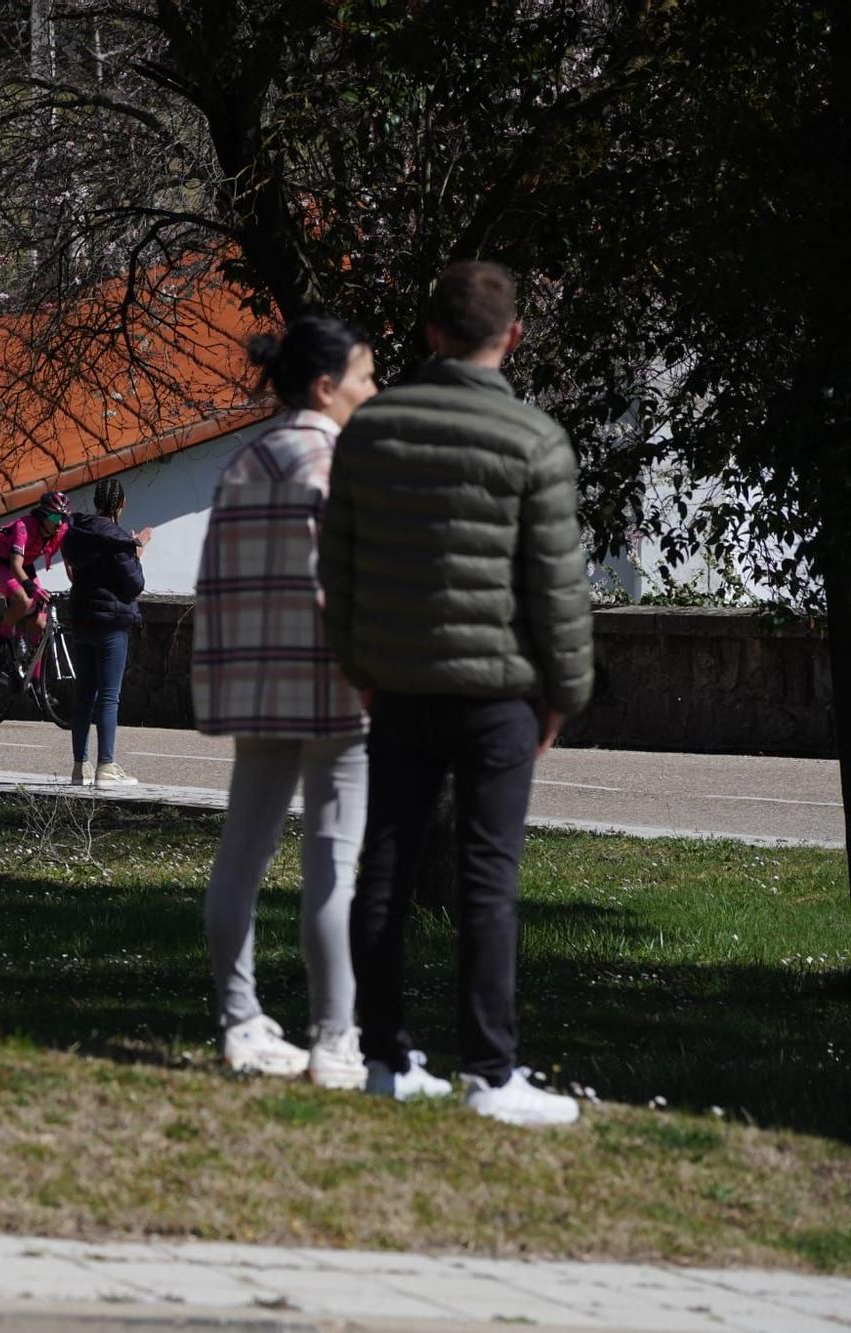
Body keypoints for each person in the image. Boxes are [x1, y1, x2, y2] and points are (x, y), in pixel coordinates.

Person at [320, 260, 593, 1126]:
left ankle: (385, 1056)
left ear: (430, 332)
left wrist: (359, 666)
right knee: (487, 875)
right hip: (500, 692)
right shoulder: (534, 439)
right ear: (512, 337)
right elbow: (556, 583)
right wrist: (565, 691)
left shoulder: (372, 427)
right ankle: (491, 1070)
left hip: (398, 684)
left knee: (386, 869)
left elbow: (340, 563)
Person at [193, 316, 379, 1088]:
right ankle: (335, 1037)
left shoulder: (242, 461)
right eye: (366, 376)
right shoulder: (344, 463)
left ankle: (240, 1020)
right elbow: (360, 581)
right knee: (333, 861)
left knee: (242, 851)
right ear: (326, 384)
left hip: (254, 683)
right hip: (337, 685)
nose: (374, 390)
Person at [62, 478, 149, 787]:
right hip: (111, 624)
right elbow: (134, 585)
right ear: (121, 505)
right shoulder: (119, 541)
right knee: (109, 696)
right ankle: (106, 766)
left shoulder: (76, 532)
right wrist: (138, 552)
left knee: (84, 693)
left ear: (97, 502)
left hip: (81, 619)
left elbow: (73, 570)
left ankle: (79, 766)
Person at [0, 490, 71, 686]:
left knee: (40, 623)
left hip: (25, 567)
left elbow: (70, 563)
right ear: (44, 515)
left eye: (63, 517)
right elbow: (15, 566)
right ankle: (1, 640)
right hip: (2, 565)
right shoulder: (24, 527)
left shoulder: (61, 529)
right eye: (55, 517)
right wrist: (31, 588)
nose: (59, 522)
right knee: (24, 599)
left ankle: (35, 683)